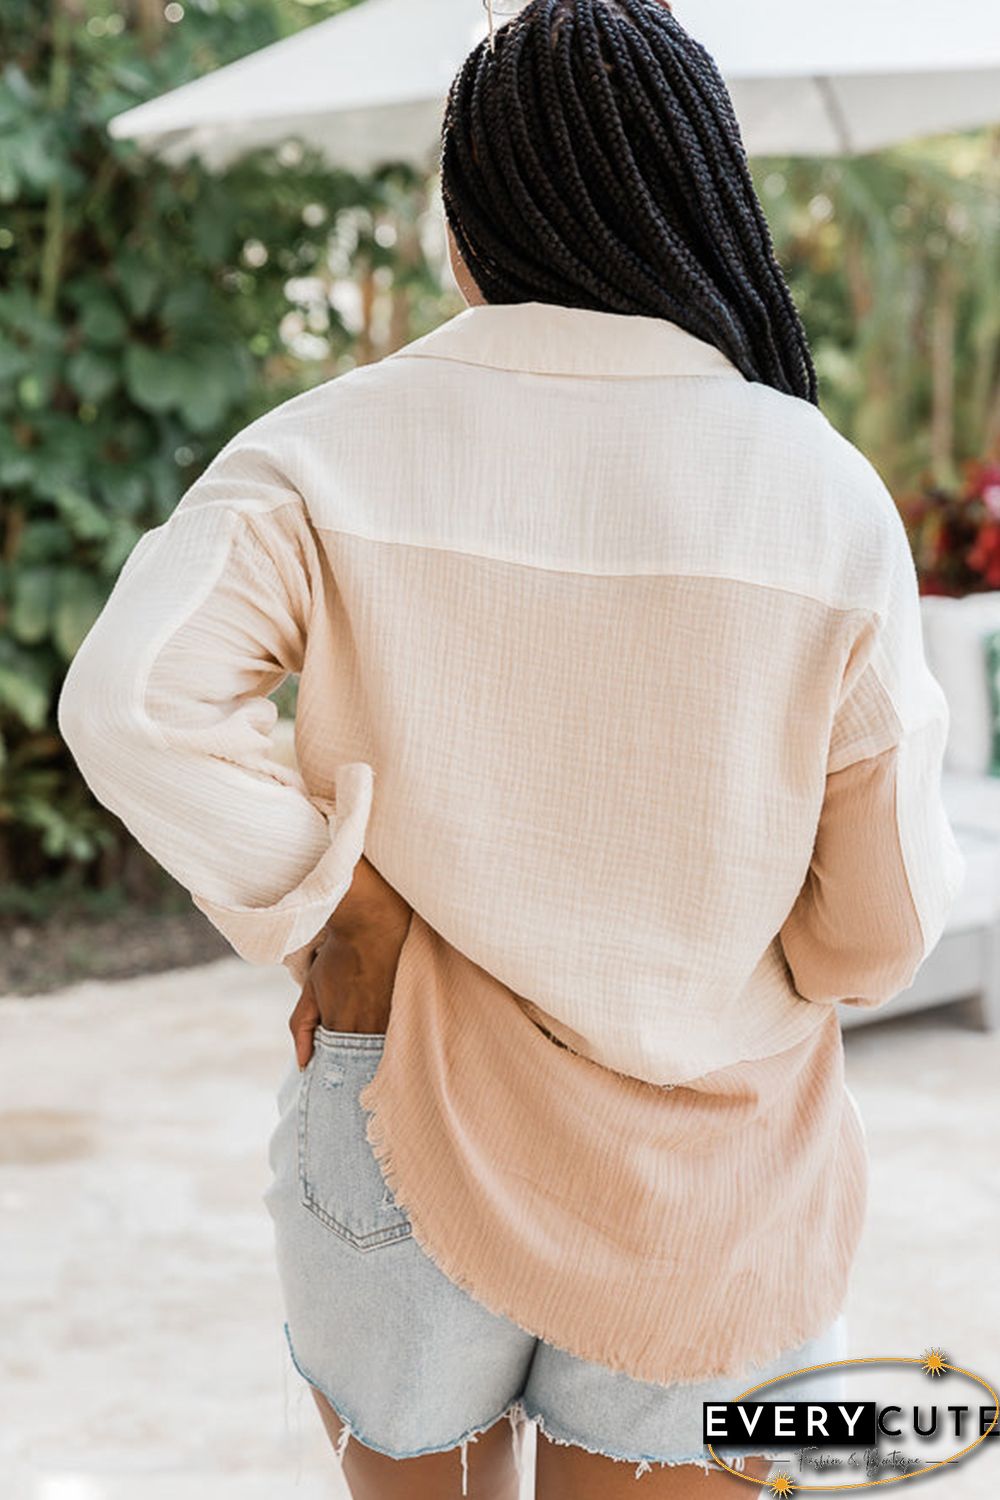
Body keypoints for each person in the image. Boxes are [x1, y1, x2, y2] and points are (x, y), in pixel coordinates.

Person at [57, 1, 965, 1497]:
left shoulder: (323, 445)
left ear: (468, 216)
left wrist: (344, 917)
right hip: (707, 1172)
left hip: (395, 1095)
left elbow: (133, 705)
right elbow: (876, 932)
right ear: (698, 196)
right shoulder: (819, 491)